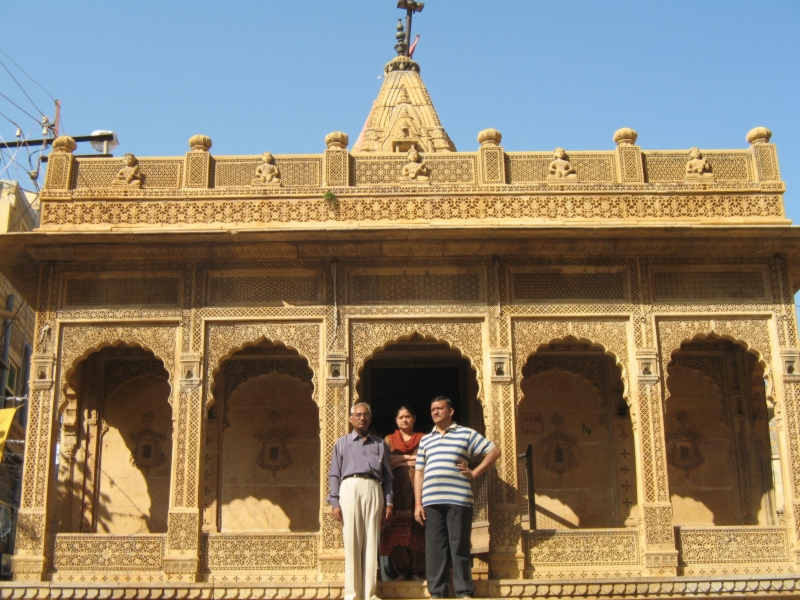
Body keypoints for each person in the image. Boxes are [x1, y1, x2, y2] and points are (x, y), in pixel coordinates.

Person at [414, 397, 501, 600]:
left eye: (440, 408)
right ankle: (437, 592)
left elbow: (494, 451)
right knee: (435, 547)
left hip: (459, 499)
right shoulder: (426, 440)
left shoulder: (466, 433)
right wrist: (418, 502)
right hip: (431, 501)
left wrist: (475, 472)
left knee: (459, 545)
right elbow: (419, 472)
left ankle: (463, 591)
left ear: (450, 411)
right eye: (433, 409)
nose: (435, 412)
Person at [328, 403, 394, 600]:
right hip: (350, 487)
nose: (362, 418)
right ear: (350, 419)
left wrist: (389, 502)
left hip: (374, 487)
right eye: (357, 415)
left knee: (372, 541)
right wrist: (335, 502)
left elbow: (388, 476)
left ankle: (370, 594)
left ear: (370, 419)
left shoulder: (380, 444)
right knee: (352, 541)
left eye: (365, 415)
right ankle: (352, 594)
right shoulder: (342, 443)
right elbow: (334, 474)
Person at [380, 406, 426, 581]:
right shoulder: (389, 440)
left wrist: (398, 461)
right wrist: (410, 459)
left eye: (408, 416)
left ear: (414, 418)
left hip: (418, 489)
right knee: (395, 528)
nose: (404, 420)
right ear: (396, 420)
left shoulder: (423, 438)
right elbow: (386, 461)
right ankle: (401, 571)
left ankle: (418, 571)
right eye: (401, 417)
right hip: (395, 489)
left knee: (418, 526)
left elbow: (426, 459)